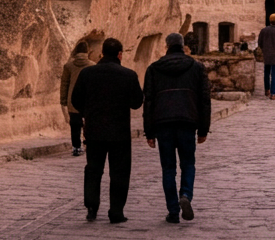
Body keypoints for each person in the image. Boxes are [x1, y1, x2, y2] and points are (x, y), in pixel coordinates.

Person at [70, 37, 143, 223]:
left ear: (102, 53)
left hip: (94, 130)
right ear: (120, 54)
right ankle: (116, 211)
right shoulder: (128, 75)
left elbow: (76, 101)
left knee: (94, 170)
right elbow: (136, 103)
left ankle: (92, 206)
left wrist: (89, 112)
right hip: (119, 132)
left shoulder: (87, 74)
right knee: (119, 172)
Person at [143, 33, 211, 223]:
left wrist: (149, 132)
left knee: (168, 169)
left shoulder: (154, 69)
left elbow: (148, 101)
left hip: (163, 123)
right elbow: (204, 100)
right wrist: (203, 129)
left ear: (166, 46)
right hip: (187, 122)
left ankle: (173, 211)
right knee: (188, 164)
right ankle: (186, 195)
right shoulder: (196, 67)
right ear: (183, 46)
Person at [59, 41, 92, 156]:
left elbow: (64, 84)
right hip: (89, 99)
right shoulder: (93, 65)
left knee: (75, 124)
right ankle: (88, 143)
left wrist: (63, 100)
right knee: (89, 123)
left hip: (72, 99)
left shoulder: (69, 66)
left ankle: (76, 147)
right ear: (87, 52)